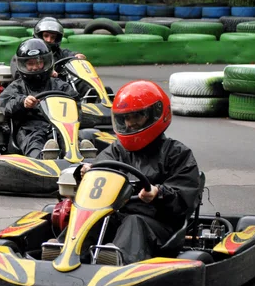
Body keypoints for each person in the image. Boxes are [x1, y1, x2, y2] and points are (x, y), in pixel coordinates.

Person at [72, 80, 201, 265]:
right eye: (125, 118)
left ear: (155, 115)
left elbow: (184, 200)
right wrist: (86, 173)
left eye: (136, 117)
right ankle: (66, 253)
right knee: (93, 218)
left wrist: (159, 194)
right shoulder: (116, 151)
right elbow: (100, 174)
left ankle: (118, 262)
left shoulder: (177, 153)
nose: (130, 124)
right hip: (119, 217)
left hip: (159, 224)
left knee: (134, 221)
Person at [0, 38, 93, 160]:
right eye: (30, 64)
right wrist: (23, 102)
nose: (35, 67)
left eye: (38, 63)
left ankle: (82, 154)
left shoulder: (60, 85)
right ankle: (43, 159)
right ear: (23, 65)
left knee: (70, 138)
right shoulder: (16, 86)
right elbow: (6, 105)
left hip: (60, 126)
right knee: (34, 141)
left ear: (47, 62)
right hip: (30, 128)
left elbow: (76, 104)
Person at [10, 17, 86, 79]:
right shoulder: (25, 54)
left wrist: (77, 56)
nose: (49, 40)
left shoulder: (59, 53)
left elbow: (70, 54)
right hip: (32, 91)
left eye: (53, 37)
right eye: (46, 36)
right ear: (39, 35)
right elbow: (18, 75)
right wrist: (44, 74)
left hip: (59, 89)